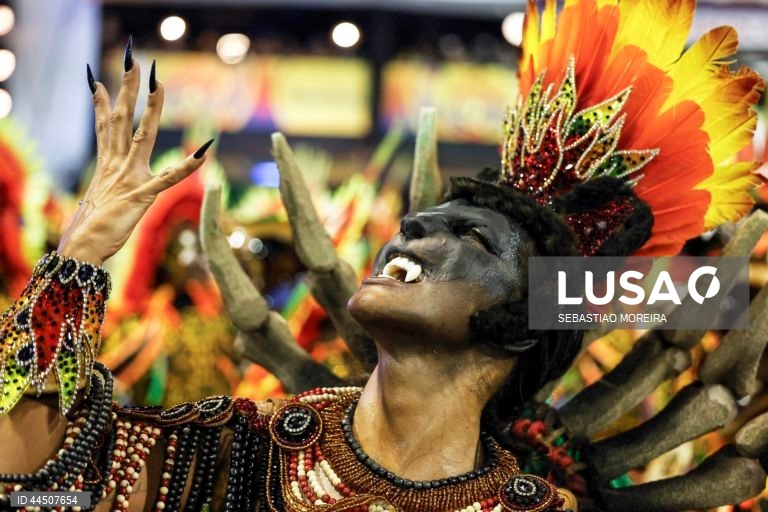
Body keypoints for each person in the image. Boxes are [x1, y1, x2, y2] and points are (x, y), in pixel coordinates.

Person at [0, 0, 765, 510]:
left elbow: (705, 298)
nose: (412, 238)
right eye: (419, 223)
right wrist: (77, 260)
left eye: (469, 239)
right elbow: (26, 466)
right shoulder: (241, 450)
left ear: (520, 322)